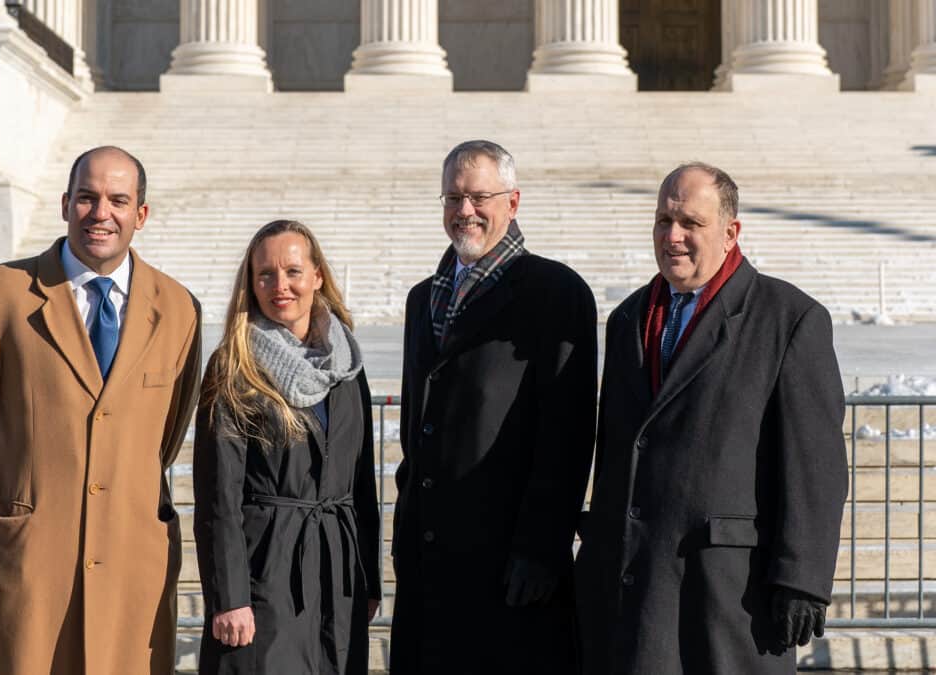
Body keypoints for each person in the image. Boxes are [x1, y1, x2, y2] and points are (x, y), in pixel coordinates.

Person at [0, 146, 202, 674]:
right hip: (32, 558)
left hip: (131, 559)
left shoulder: (178, 309)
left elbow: (165, 438)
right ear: (64, 204)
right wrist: (15, 504)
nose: (101, 213)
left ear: (141, 215)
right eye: (87, 197)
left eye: (118, 200)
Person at [576, 162, 848, 674]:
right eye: (663, 221)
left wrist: (802, 578)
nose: (672, 237)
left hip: (730, 595)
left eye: (690, 224)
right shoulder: (628, 319)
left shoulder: (789, 317)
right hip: (635, 586)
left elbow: (815, 463)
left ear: (731, 231)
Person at [389, 140, 599, 674]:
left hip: (509, 566)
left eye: (480, 196)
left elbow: (568, 434)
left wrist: (542, 549)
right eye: (453, 198)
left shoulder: (555, 292)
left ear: (513, 202)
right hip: (431, 564)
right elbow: (417, 426)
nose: (465, 211)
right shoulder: (422, 299)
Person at [192, 219, 382, 675]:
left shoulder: (346, 365)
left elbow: (361, 483)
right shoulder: (234, 367)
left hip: (337, 575)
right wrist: (229, 597)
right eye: (266, 275)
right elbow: (219, 496)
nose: (281, 286)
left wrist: (368, 578)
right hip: (266, 574)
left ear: (317, 276)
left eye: (293, 272)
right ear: (251, 284)